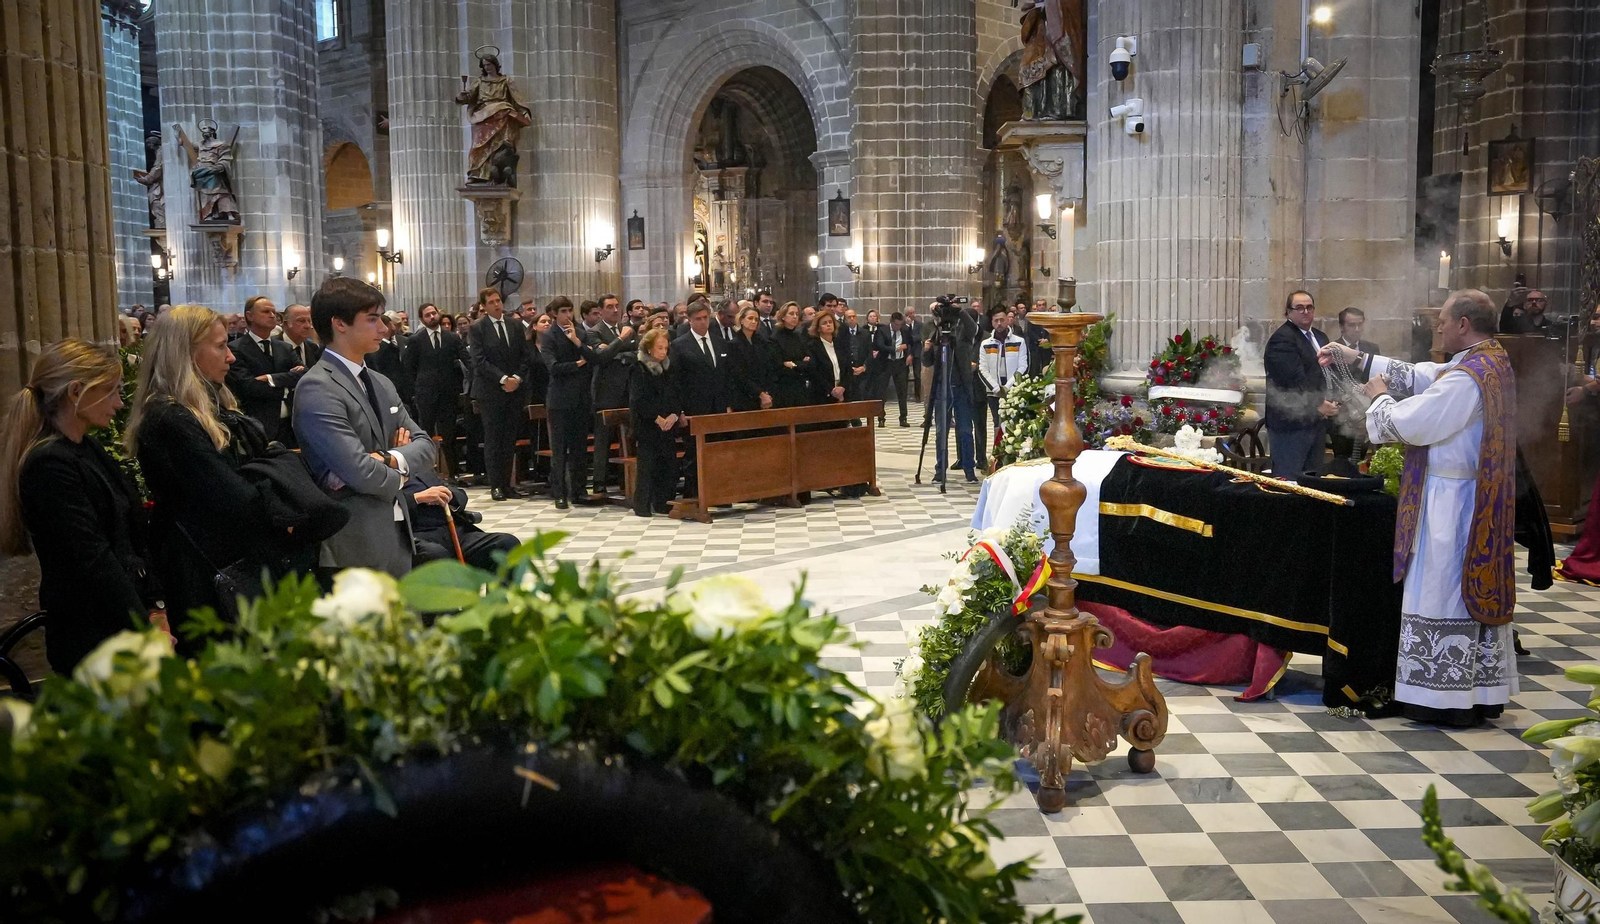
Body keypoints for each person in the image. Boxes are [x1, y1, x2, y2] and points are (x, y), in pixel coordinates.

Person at [1322, 289, 1517, 726]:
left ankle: (1439, 697)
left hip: (1452, 503)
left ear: (1464, 323)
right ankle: (1475, 692)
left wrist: (1379, 397)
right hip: (1469, 496)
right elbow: (1427, 375)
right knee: (1453, 594)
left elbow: (1414, 423)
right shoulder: (1487, 361)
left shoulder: (1469, 377)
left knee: (1441, 590)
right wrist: (1358, 359)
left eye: (1443, 320)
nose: (1439, 327)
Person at [128, 307, 310, 629]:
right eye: (220, 346)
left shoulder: (206, 406)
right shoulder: (170, 418)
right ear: (186, 353)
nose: (231, 357)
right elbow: (233, 494)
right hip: (205, 569)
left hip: (225, 556)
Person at [0, 340, 165, 672]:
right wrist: (145, 629)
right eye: (111, 391)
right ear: (76, 392)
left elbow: (129, 536)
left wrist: (155, 606)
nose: (119, 403)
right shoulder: (49, 465)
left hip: (121, 621)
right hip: (91, 633)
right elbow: (93, 559)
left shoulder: (87, 447)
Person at [294, 279, 437, 577]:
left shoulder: (381, 382)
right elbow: (359, 471)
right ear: (339, 324)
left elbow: (426, 446)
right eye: (372, 319)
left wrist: (388, 458)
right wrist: (403, 468)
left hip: (397, 531)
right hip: (353, 538)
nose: (383, 329)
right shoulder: (317, 387)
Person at [1264, 290, 1337, 476]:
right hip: (1290, 423)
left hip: (1315, 422)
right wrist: (1318, 404)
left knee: (1313, 479)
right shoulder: (1282, 339)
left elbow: (1328, 373)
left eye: (1309, 307)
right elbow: (1292, 380)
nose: (1305, 312)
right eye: (1299, 308)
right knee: (1290, 479)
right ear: (1288, 312)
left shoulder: (1320, 337)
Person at [470, 286, 533, 501]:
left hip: (514, 390)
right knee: (494, 439)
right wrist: (504, 379)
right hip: (491, 391)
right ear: (484, 306)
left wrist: (516, 378)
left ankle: (508, 484)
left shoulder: (514, 324)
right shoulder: (478, 328)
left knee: (509, 439)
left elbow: (525, 356)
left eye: (498, 300)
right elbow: (479, 361)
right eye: (491, 302)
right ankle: (496, 485)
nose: (497, 305)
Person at [540, 297, 597, 509]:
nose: (567, 315)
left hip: (581, 398)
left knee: (579, 448)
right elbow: (553, 367)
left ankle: (579, 491)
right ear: (555, 314)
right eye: (563, 311)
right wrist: (577, 364)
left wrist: (576, 341)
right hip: (560, 400)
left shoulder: (580, 333)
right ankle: (560, 493)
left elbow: (594, 359)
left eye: (569, 311)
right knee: (560, 449)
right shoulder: (549, 336)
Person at [403, 468, 519, 571]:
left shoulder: (419, 471)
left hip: (452, 532)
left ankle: (497, 590)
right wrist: (416, 498)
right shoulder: (391, 480)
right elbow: (391, 508)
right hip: (412, 538)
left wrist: (449, 495)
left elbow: (460, 495)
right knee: (436, 555)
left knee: (507, 543)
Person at [670, 300, 729, 498]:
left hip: (718, 406)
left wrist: (727, 404)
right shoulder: (680, 345)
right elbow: (676, 381)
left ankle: (717, 493)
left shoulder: (719, 342)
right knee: (693, 453)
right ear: (689, 320)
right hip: (693, 408)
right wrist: (680, 410)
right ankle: (693, 494)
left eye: (705, 318)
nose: (703, 322)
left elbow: (725, 375)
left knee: (717, 450)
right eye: (698, 319)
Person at [404, 303, 468, 480]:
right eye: (427, 315)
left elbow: (465, 360)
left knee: (449, 434)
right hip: (426, 393)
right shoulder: (416, 340)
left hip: (448, 393)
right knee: (426, 433)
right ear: (421, 319)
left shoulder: (452, 338)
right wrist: (415, 391)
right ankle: (426, 474)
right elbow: (409, 368)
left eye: (433, 313)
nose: (432, 317)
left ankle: (453, 474)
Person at [226, 295, 299, 443]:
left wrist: (270, 379)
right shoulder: (236, 349)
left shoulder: (284, 347)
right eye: (266, 312)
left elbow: (303, 374)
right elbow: (248, 386)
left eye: (274, 312)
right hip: (259, 426)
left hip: (291, 425)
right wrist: (287, 388)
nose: (272, 315)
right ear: (250, 316)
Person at [629, 328, 684, 518]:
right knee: (648, 466)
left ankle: (663, 502)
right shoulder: (639, 368)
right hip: (648, 425)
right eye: (660, 348)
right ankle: (642, 505)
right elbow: (639, 400)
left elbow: (676, 394)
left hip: (668, 424)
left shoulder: (668, 368)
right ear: (649, 348)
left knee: (669, 465)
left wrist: (674, 414)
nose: (663, 352)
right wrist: (657, 418)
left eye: (666, 348)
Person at [923, 302, 980, 484]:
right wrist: (927, 350)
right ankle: (940, 470)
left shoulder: (963, 332)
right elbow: (927, 362)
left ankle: (969, 469)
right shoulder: (937, 333)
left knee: (965, 430)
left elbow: (974, 329)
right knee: (941, 432)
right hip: (942, 388)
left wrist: (960, 311)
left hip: (961, 387)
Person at [587, 293, 637, 496]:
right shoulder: (594, 332)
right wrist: (621, 339)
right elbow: (601, 357)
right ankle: (599, 481)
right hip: (605, 392)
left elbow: (638, 353)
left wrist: (618, 354)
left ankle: (626, 479)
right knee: (603, 439)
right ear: (600, 310)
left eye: (617, 306)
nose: (615, 310)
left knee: (630, 436)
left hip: (628, 389)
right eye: (610, 307)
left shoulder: (627, 328)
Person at [978, 305, 1028, 426]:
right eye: (996, 320)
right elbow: (982, 369)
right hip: (994, 392)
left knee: (1015, 424)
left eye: (1002, 320)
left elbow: (1023, 366)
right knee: (998, 423)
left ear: (1007, 320)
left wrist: (1008, 386)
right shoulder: (985, 344)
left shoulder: (1019, 341)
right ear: (992, 322)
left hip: (1014, 390)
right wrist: (996, 388)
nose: (999, 323)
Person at [725, 304, 775, 412]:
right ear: (742, 320)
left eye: (756, 319)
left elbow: (768, 367)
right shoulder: (733, 345)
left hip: (764, 394)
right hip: (743, 396)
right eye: (750, 318)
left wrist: (766, 392)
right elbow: (739, 375)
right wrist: (760, 393)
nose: (753, 322)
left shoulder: (762, 342)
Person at [768, 302, 813, 409]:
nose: (795, 317)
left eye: (797, 314)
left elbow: (809, 360)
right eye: (791, 313)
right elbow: (778, 365)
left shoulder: (798, 336)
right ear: (783, 316)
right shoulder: (775, 337)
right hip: (784, 387)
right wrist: (801, 363)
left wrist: (794, 364)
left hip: (800, 384)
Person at [806, 308, 853, 406]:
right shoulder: (812, 347)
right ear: (818, 328)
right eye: (824, 323)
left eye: (830, 322)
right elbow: (814, 372)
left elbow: (848, 369)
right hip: (822, 394)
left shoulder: (840, 344)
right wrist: (831, 390)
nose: (828, 325)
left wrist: (842, 387)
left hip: (843, 392)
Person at [884, 312, 914, 426]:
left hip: (900, 363)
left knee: (902, 391)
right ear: (891, 322)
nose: (898, 327)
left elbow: (912, 343)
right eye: (896, 324)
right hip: (887, 363)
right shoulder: (883, 330)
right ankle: (881, 417)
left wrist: (910, 354)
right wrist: (895, 348)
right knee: (883, 390)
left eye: (900, 324)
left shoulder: (904, 330)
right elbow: (880, 346)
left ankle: (903, 417)